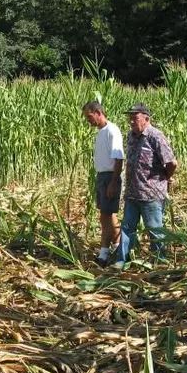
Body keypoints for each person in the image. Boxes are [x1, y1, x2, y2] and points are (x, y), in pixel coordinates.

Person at [114, 103, 178, 269]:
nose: (131, 121)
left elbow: (172, 163)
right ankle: (122, 260)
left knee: (154, 229)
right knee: (127, 227)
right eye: (130, 118)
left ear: (146, 119)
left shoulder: (155, 136)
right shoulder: (131, 136)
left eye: (135, 118)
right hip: (132, 193)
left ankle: (159, 262)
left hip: (151, 194)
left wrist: (164, 178)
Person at [82, 101, 124, 266]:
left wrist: (113, 182)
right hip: (101, 176)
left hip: (109, 177)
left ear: (98, 112)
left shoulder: (112, 131)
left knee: (106, 216)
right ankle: (118, 246)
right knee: (106, 216)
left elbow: (118, 158)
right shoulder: (100, 132)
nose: (88, 121)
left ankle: (104, 255)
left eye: (89, 116)